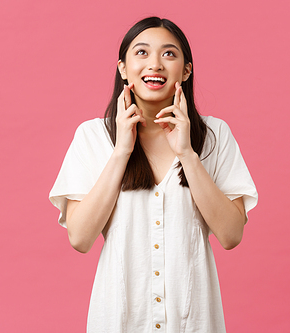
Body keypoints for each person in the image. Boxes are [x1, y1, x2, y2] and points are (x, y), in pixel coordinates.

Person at [49, 16, 258, 333]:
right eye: (142, 53)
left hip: (194, 322)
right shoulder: (93, 136)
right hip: (119, 321)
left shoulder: (215, 136)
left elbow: (231, 235)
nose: (155, 64)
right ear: (123, 68)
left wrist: (187, 153)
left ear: (186, 70)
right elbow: (79, 238)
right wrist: (121, 151)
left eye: (169, 54)